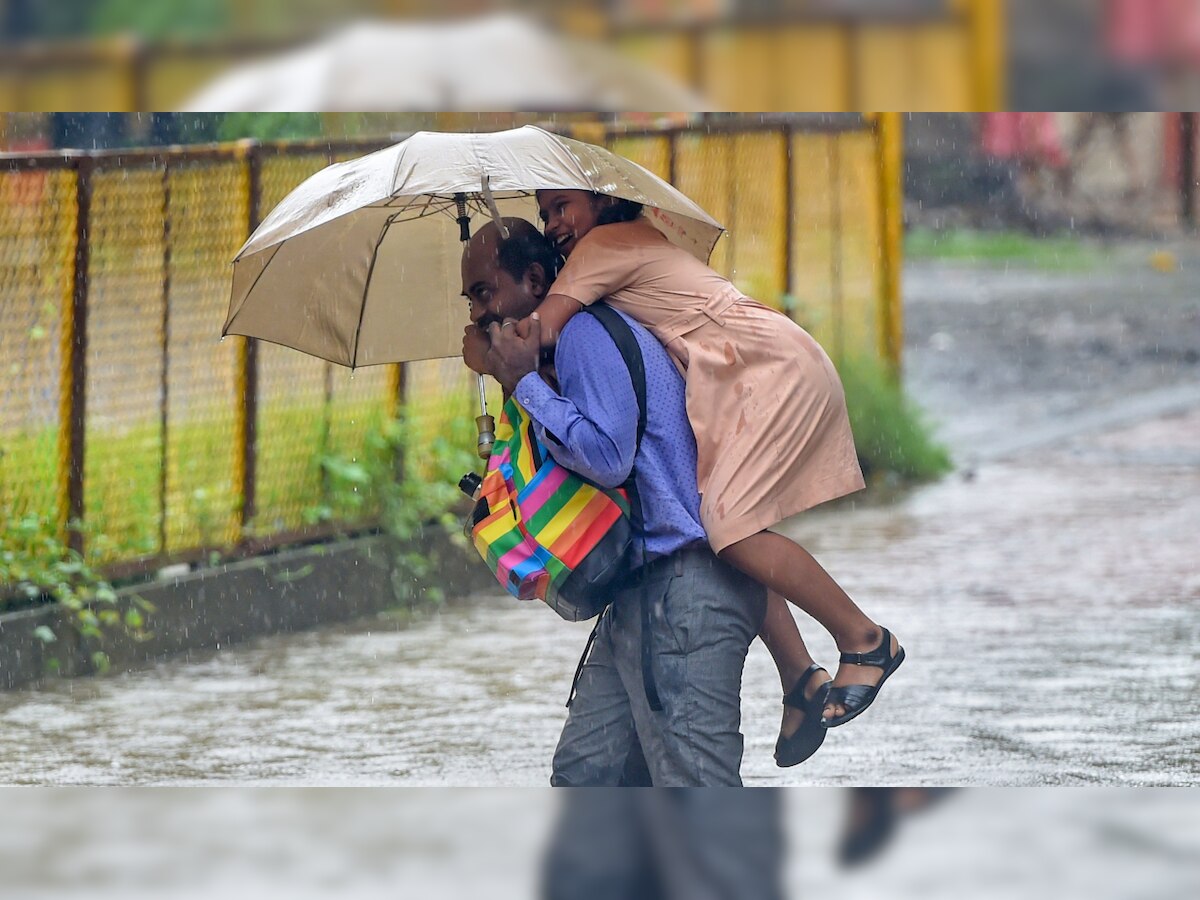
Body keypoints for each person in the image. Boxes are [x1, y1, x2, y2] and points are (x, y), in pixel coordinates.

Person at [527, 190, 904, 755]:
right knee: (721, 520)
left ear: (604, 200)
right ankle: (800, 676)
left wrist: (500, 351)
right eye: (543, 214)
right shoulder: (620, 247)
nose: (554, 223)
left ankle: (865, 638)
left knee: (731, 530)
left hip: (767, 366)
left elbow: (540, 332)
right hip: (741, 373)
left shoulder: (603, 244)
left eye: (562, 207)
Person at [461, 218, 766, 786]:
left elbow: (605, 457)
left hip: (681, 591)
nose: (478, 313)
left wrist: (523, 382)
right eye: (471, 300)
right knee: (587, 775)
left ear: (533, 280)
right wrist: (515, 381)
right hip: (640, 593)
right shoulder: (558, 351)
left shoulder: (585, 334)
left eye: (485, 293)